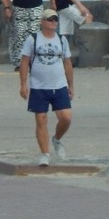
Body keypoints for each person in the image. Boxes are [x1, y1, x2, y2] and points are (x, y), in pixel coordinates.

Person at [19, 9, 74, 166]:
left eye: (55, 20)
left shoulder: (62, 40)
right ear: (42, 22)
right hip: (38, 87)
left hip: (59, 85)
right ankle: (45, 153)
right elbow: (24, 62)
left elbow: (68, 63)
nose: (53, 22)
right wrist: (23, 84)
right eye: (50, 19)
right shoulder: (33, 39)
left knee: (66, 117)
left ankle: (56, 139)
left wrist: (71, 85)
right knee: (41, 120)